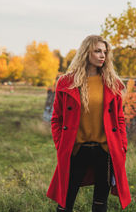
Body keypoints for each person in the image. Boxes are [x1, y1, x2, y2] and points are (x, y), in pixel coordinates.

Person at [47, 35, 131, 212]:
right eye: (97, 51)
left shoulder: (112, 83)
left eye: (105, 52)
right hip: (76, 150)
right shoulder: (66, 82)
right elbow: (56, 118)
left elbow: (120, 118)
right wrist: (60, 144)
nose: (103, 56)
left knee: (100, 204)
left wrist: (122, 146)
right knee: (65, 203)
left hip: (105, 150)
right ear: (86, 52)